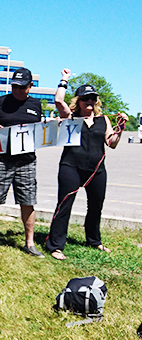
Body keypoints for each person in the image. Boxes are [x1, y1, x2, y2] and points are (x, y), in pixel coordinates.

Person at [45, 69, 127, 260]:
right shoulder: (70, 118)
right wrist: (64, 79)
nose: (89, 102)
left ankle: (94, 241)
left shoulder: (103, 120)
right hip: (71, 167)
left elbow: (111, 143)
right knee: (64, 205)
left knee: (96, 206)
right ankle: (55, 245)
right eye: (85, 99)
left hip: (97, 170)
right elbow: (58, 100)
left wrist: (120, 128)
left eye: (92, 98)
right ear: (78, 101)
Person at [0, 67, 43, 257]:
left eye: (22, 87)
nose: (18, 90)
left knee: (28, 201)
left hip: (26, 161)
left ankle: (29, 243)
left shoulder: (36, 105)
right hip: (1, 159)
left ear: (30, 86)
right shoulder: (0, 102)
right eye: (14, 86)